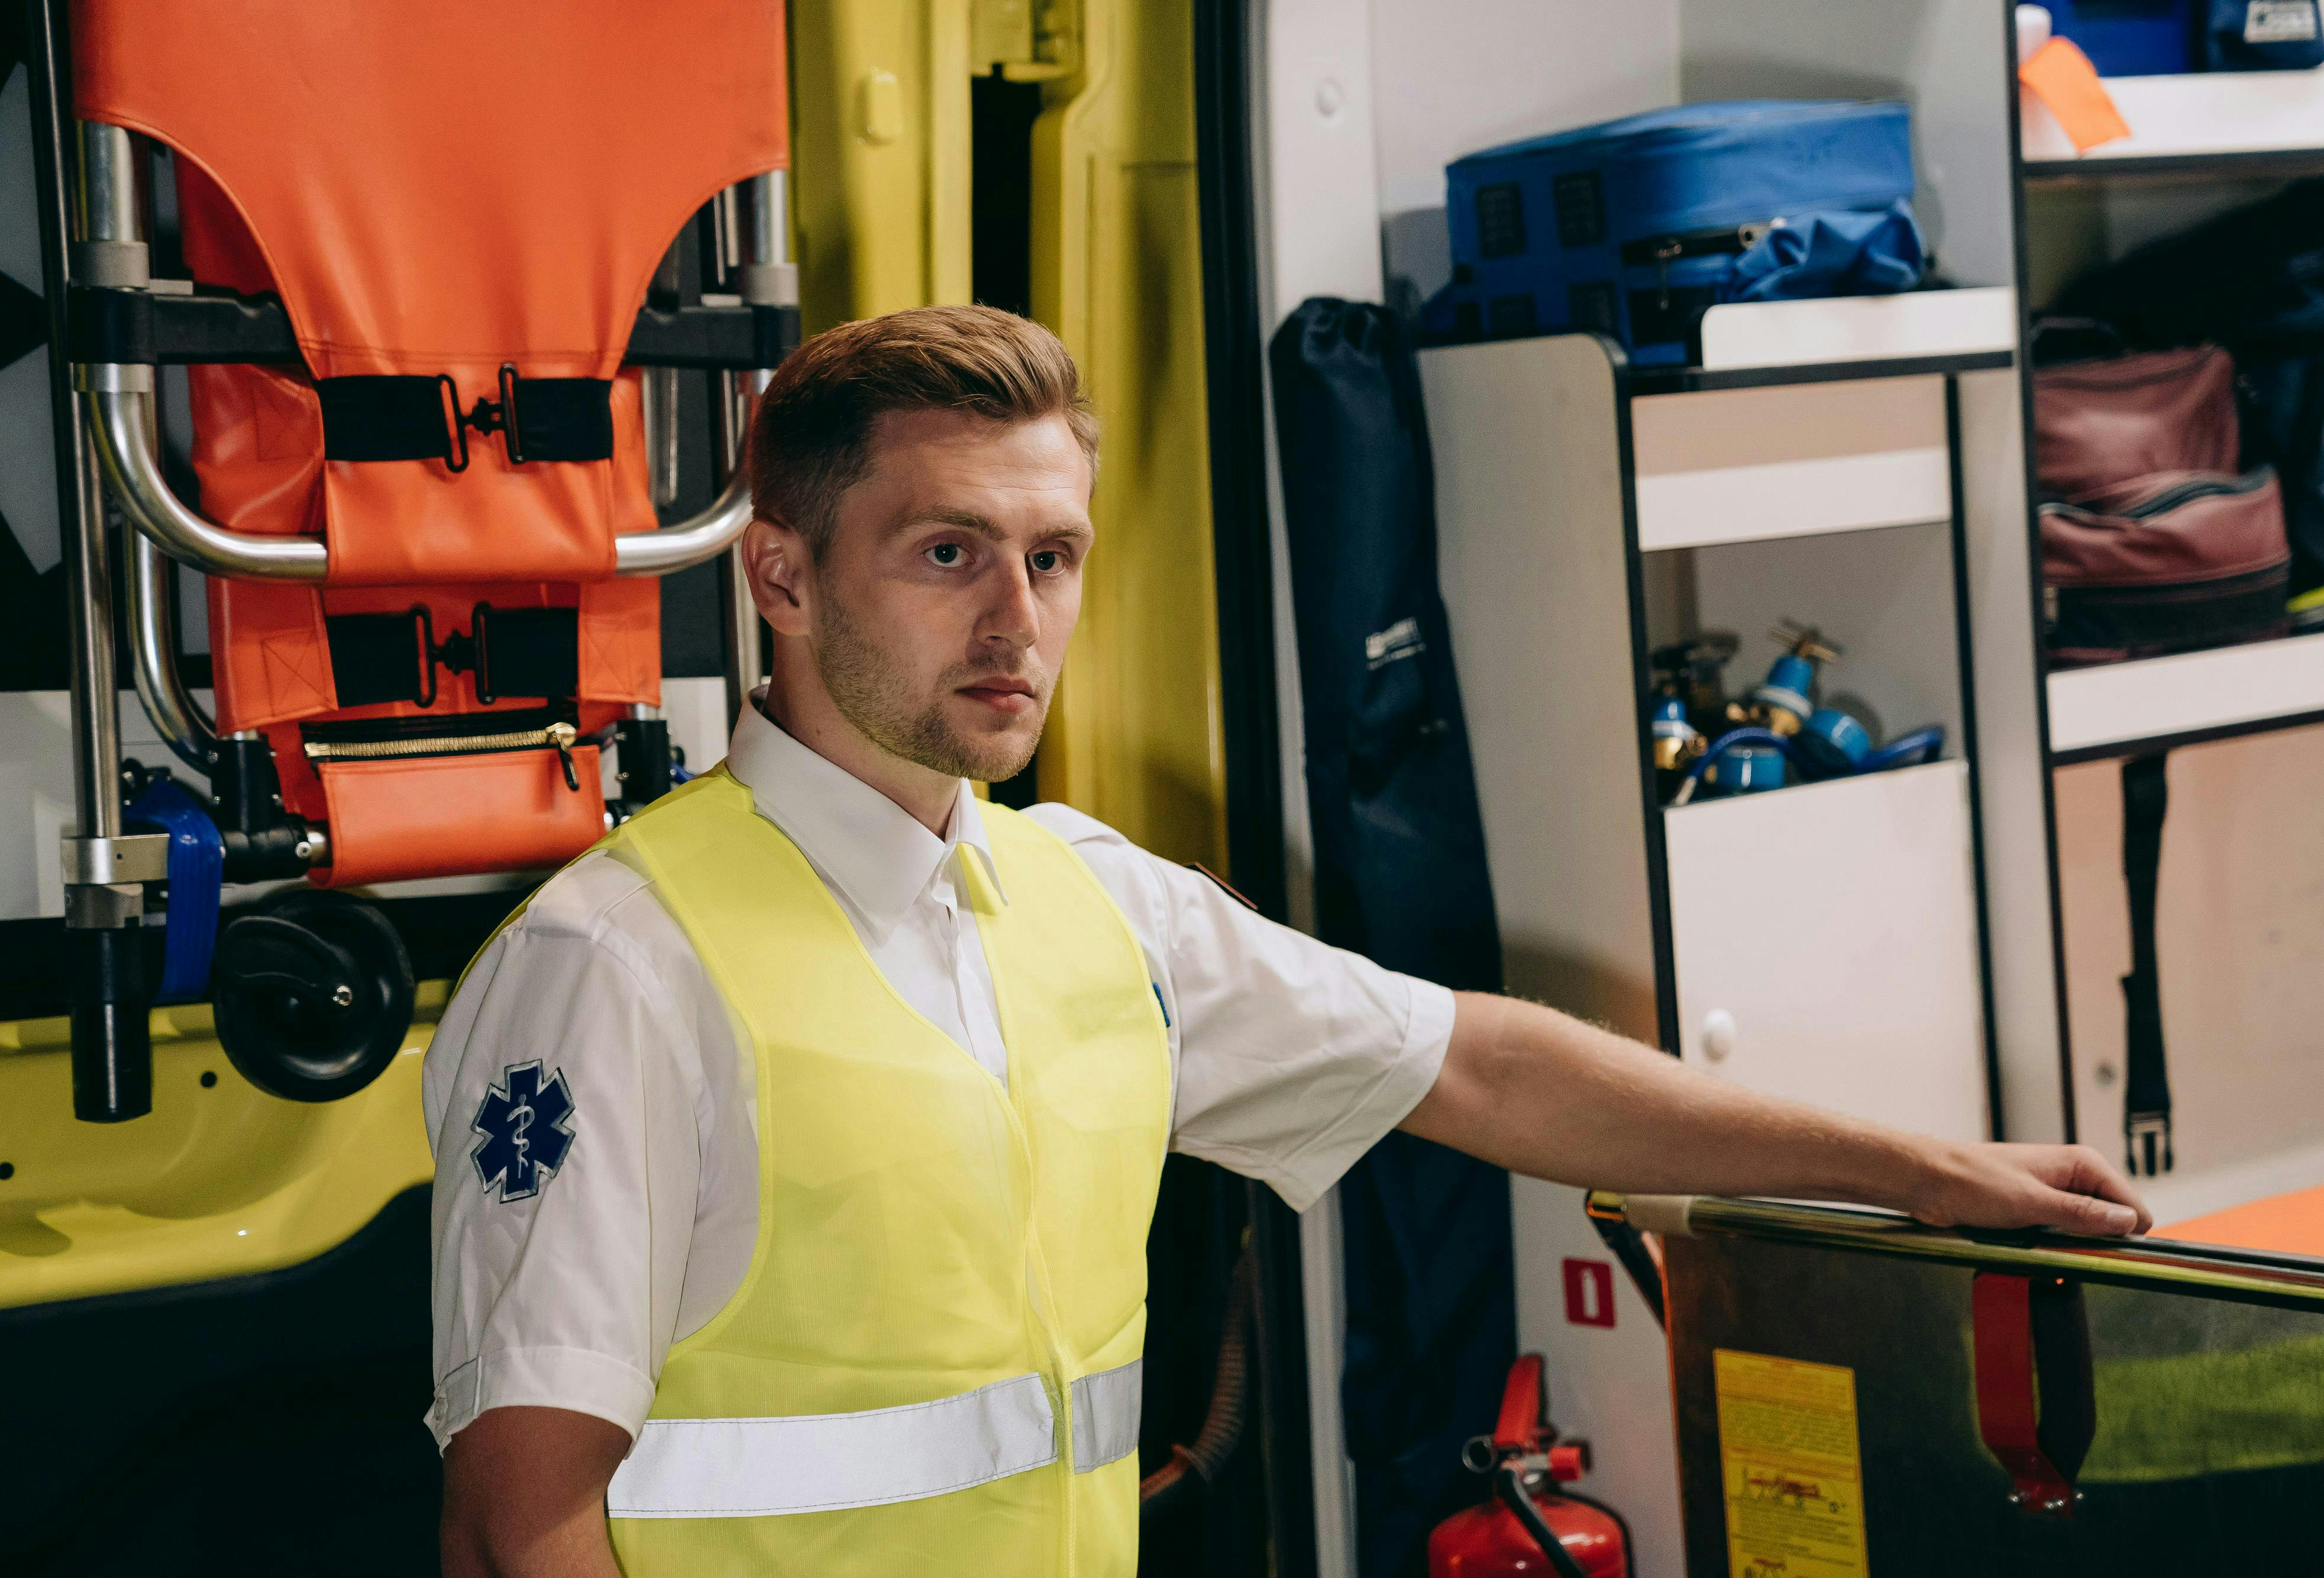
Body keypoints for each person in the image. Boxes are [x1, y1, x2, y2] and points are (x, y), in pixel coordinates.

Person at [426, 304, 2148, 1577]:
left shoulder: (1091, 902)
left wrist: (1923, 1172)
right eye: (947, 552)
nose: (1017, 621)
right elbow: (522, 1516)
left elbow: (1480, 1062)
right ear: (784, 580)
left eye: (1054, 554)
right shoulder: (616, 963)